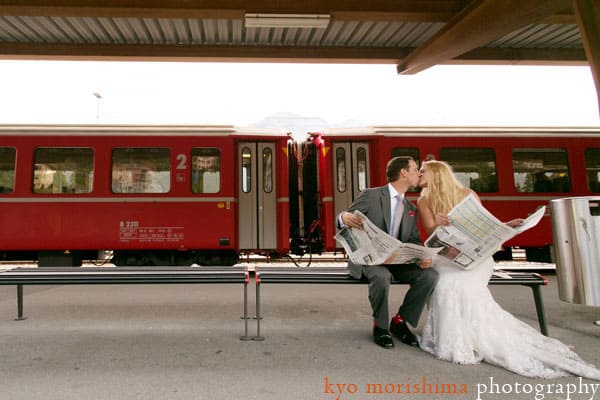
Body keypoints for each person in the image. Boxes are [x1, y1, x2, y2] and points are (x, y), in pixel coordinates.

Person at [416, 160, 600, 380]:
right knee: (445, 283)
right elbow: (429, 230)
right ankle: (454, 336)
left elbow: (486, 224)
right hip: (447, 257)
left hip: (475, 258)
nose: (419, 174)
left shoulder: (467, 193)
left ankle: (475, 334)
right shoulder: (423, 201)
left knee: (460, 285)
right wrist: (437, 223)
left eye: (422, 171)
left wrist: (508, 225)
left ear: (436, 174)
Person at [338, 156, 439, 349]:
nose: (418, 173)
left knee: (430, 275)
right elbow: (347, 219)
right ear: (403, 173)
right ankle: (381, 327)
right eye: (415, 169)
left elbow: (414, 240)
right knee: (382, 276)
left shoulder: (410, 208)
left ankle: (400, 321)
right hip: (370, 261)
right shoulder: (372, 195)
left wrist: (421, 257)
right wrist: (343, 217)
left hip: (397, 261)